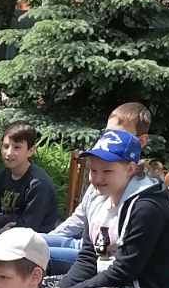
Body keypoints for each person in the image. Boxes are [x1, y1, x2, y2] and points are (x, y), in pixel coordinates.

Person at [56, 128, 169, 288]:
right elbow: (88, 258)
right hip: (109, 280)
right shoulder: (98, 199)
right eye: (93, 171)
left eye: (107, 171)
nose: (97, 179)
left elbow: (124, 271)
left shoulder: (147, 208)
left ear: (130, 169)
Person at [43, 102, 152, 271]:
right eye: (107, 134)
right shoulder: (99, 178)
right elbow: (79, 219)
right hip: (88, 246)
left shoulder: (142, 197)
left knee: (31, 255)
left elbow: (121, 263)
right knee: (25, 240)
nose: (109, 141)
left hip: (105, 259)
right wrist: (43, 241)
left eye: (118, 136)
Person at [0, 123, 58, 246]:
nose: (9, 153)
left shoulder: (38, 185)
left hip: (33, 243)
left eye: (17, 147)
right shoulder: (2, 176)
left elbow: (28, 227)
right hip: (5, 233)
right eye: (6, 146)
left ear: (30, 151)